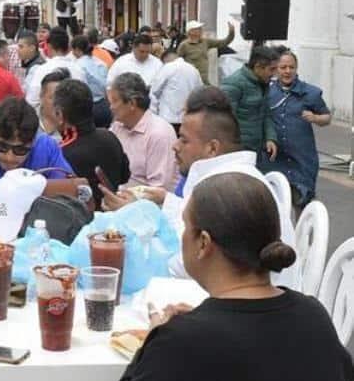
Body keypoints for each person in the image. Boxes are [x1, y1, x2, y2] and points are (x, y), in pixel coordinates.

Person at [112, 172, 353, 381]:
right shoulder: (313, 314)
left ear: (204, 243)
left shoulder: (182, 342)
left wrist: (153, 341)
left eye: (186, 226)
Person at [101, 86, 298, 287]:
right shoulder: (232, 176)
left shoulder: (226, 188)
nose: (175, 146)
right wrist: (163, 201)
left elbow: (182, 266)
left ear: (212, 148)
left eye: (184, 140)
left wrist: (133, 222)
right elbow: (189, 223)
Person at [267, 49, 331, 208]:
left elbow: (327, 117)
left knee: (301, 204)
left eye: (291, 67)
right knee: (276, 208)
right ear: (276, 69)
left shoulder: (310, 92)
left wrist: (315, 118)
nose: (287, 71)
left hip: (301, 161)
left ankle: (300, 233)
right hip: (274, 160)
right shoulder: (267, 91)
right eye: (283, 67)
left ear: (296, 68)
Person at [54, 79, 129, 206]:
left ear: (60, 115)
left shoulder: (62, 153)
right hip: (114, 213)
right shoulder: (110, 137)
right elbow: (125, 176)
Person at [108, 73, 178, 191]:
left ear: (132, 103)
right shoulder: (117, 126)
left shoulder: (159, 134)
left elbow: (159, 188)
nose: (111, 107)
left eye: (114, 101)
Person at [221, 45, 279, 166]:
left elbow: (266, 113)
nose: (274, 74)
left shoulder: (263, 83)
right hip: (238, 152)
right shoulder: (233, 84)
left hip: (255, 150)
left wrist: (270, 138)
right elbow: (225, 121)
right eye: (271, 69)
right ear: (258, 67)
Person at [25, 27, 86, 108]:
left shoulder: (42, 70)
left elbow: (32, 101)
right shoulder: (79, 70)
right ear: (68, 48)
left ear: (49, 46)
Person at [150, 49, 203, 134]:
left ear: (165, 60)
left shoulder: (168, 67)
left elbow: (155, 91)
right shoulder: (194, 69)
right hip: (187, 118)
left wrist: (153, 114)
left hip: (167, 118)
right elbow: (200, 92)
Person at [71, 34, 112, 128]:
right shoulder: (101, 63)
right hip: (104, 106)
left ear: (77, 49)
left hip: (88, 108)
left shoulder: (77, 65)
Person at [177, 20, 235, 84]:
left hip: (204, 80)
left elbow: (224, 42)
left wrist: (231, 32)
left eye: (201, 28)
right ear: (191, 31)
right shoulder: (184, 45)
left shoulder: (205, 42)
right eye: (198, 29)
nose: (201, 30)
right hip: (191, 79)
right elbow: (178, 62)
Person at [39, 68, 70, 139]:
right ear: (41, 96)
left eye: (62, 97)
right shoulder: (28, 120)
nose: (58, 102)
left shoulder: (72, 125)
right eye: (53, 97)